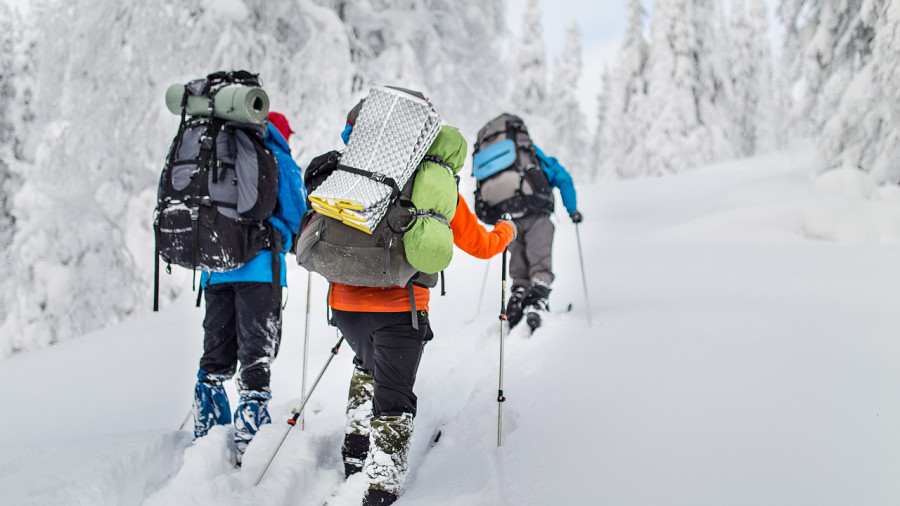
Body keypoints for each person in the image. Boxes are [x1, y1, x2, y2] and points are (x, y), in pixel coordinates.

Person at [328, 104, 515, 505]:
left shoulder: (349, 171)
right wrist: (505, 231)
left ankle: (355, 451)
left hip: (344, 303)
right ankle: (380, 487)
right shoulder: (433, 185)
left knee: (365, 366)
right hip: (400, 306)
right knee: (394, 394)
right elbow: (481, 246)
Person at [191, 111, 307, 466]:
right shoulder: (277, 158)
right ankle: (251, 441)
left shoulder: (216, 156)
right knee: (256, 354)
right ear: (279, 132)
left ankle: (206, 432)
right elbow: (297, 217)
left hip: (216, 269)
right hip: (259, 270)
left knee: (216, 353)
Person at [477, 116, 581, 332]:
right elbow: (562, 177)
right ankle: (536, 303)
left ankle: (516, 301)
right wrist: (572, 210)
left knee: (519, 267)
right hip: (537, 215)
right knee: (540, 263)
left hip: (508, 219)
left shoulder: (501, 162)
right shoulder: (533, 155)